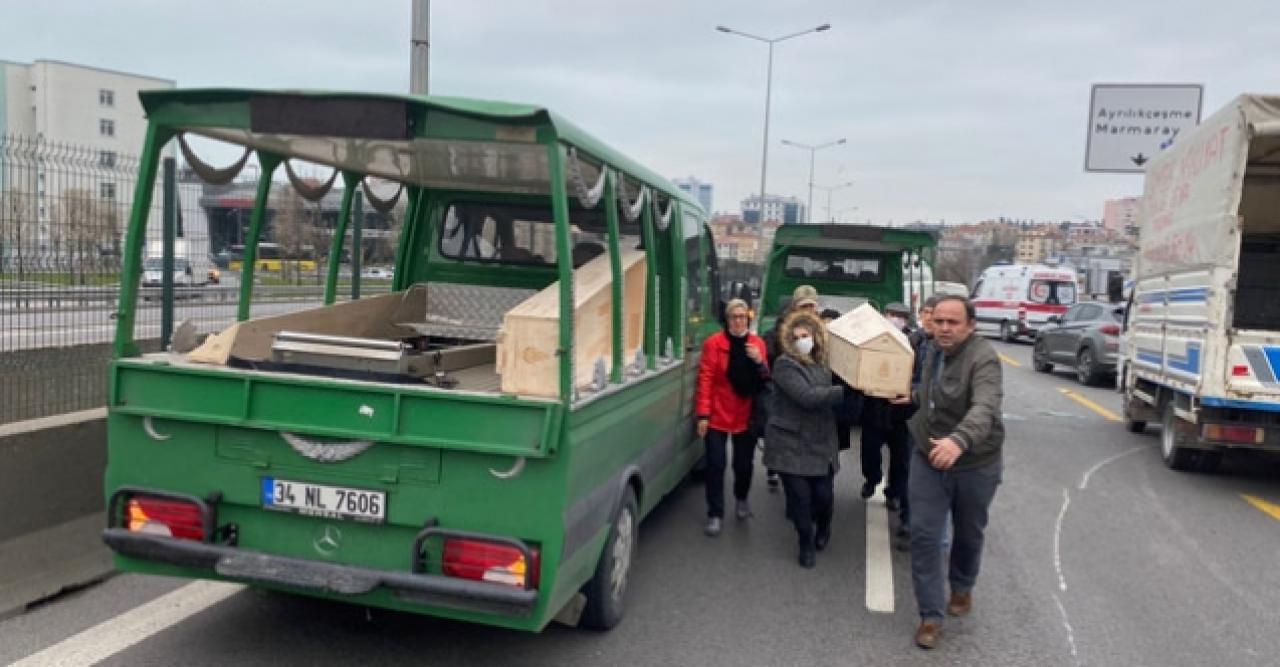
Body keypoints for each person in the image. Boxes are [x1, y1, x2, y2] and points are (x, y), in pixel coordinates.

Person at [901, 296, 1004, 650]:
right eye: (939, 321)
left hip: (975, 461)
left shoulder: (984, 358)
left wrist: (959, 441)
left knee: (968, 531)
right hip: (928, 453)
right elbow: (936, 393)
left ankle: (962, 585)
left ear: (970, 326)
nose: (944, 328)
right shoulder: (932, 350)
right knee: (925, 535)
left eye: (953, 322)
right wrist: (912, 396)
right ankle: (930, 615)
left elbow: (985, 406)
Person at [762, 309, 847, 568]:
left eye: (806, 334)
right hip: (791, 443)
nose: (802, 340)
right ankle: (805, 542)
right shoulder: (785, 364)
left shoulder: (825, 363)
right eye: (797, 336)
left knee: (823, 496)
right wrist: (844, 390)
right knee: (800, 499)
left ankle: (824, 527)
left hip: (821, 441)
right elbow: (807, 397)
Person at [696, 299, 770, 537]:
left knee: (743, 465)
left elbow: (765, 379)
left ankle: (741, 498)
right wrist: (703, 414)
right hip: (718, 412)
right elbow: (706, 378)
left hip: (745, 414)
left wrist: (758, 361)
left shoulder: (757, 344)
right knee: (716, 465)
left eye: (742, 317)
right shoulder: (714, 344)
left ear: (748, 319)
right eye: (733, 317)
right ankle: (715, 513)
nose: (738, 321)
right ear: (726, 320)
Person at [857, 302, 914, 511]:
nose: (895, 319)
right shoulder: (873, 339)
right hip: (875, 408)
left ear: (906, 320)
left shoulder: (913, 342)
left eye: (900, 316)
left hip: (901, 412)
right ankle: (872, 479)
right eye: (891, 315)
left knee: (901, 458)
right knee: (869, 452)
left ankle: (894, 493)